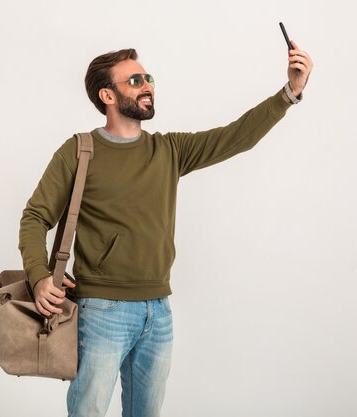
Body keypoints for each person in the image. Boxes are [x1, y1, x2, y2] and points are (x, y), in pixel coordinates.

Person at [18, 42, 313, 417]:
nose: (148, 86)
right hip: (100, 310)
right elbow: (35, 217)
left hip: (158, 310)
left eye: (149, 78)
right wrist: (39, 276)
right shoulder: (80, 150)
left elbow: (237, 136)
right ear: (107, 95)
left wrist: (289, 93)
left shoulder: (169, 150)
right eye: (136, 80)